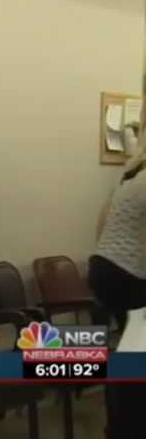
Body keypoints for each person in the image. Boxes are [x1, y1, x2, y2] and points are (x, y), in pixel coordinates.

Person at [92, 136, 146, 439]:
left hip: (108, 267)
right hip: (125, 274)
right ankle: (127, 427)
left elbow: (102, 222)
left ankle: (121, 425)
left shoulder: (134, 172)